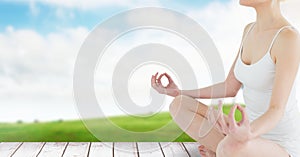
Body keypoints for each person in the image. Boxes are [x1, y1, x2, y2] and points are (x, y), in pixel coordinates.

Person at [151, 0, 300, 156]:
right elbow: (229, 87)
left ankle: (221, 151)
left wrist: (248, 133)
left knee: (228, 148)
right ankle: (225, 150)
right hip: (243, 134)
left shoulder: (289, 37)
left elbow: (277, 110)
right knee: (179, 105)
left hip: (279, 144)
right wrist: (179, 91)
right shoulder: (249, 30)